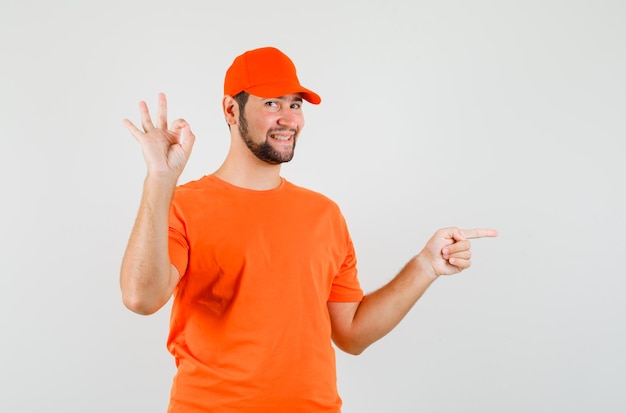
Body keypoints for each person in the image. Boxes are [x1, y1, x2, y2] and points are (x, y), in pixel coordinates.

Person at [120, 46, 497, 413]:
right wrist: (159, 178)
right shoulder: (183, 204)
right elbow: (141, 298)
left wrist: (425, 266)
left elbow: (351, 333)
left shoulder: (324, 214)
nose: (288, 118)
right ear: (231, 110)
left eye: (295, 104)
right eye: (272, 103)